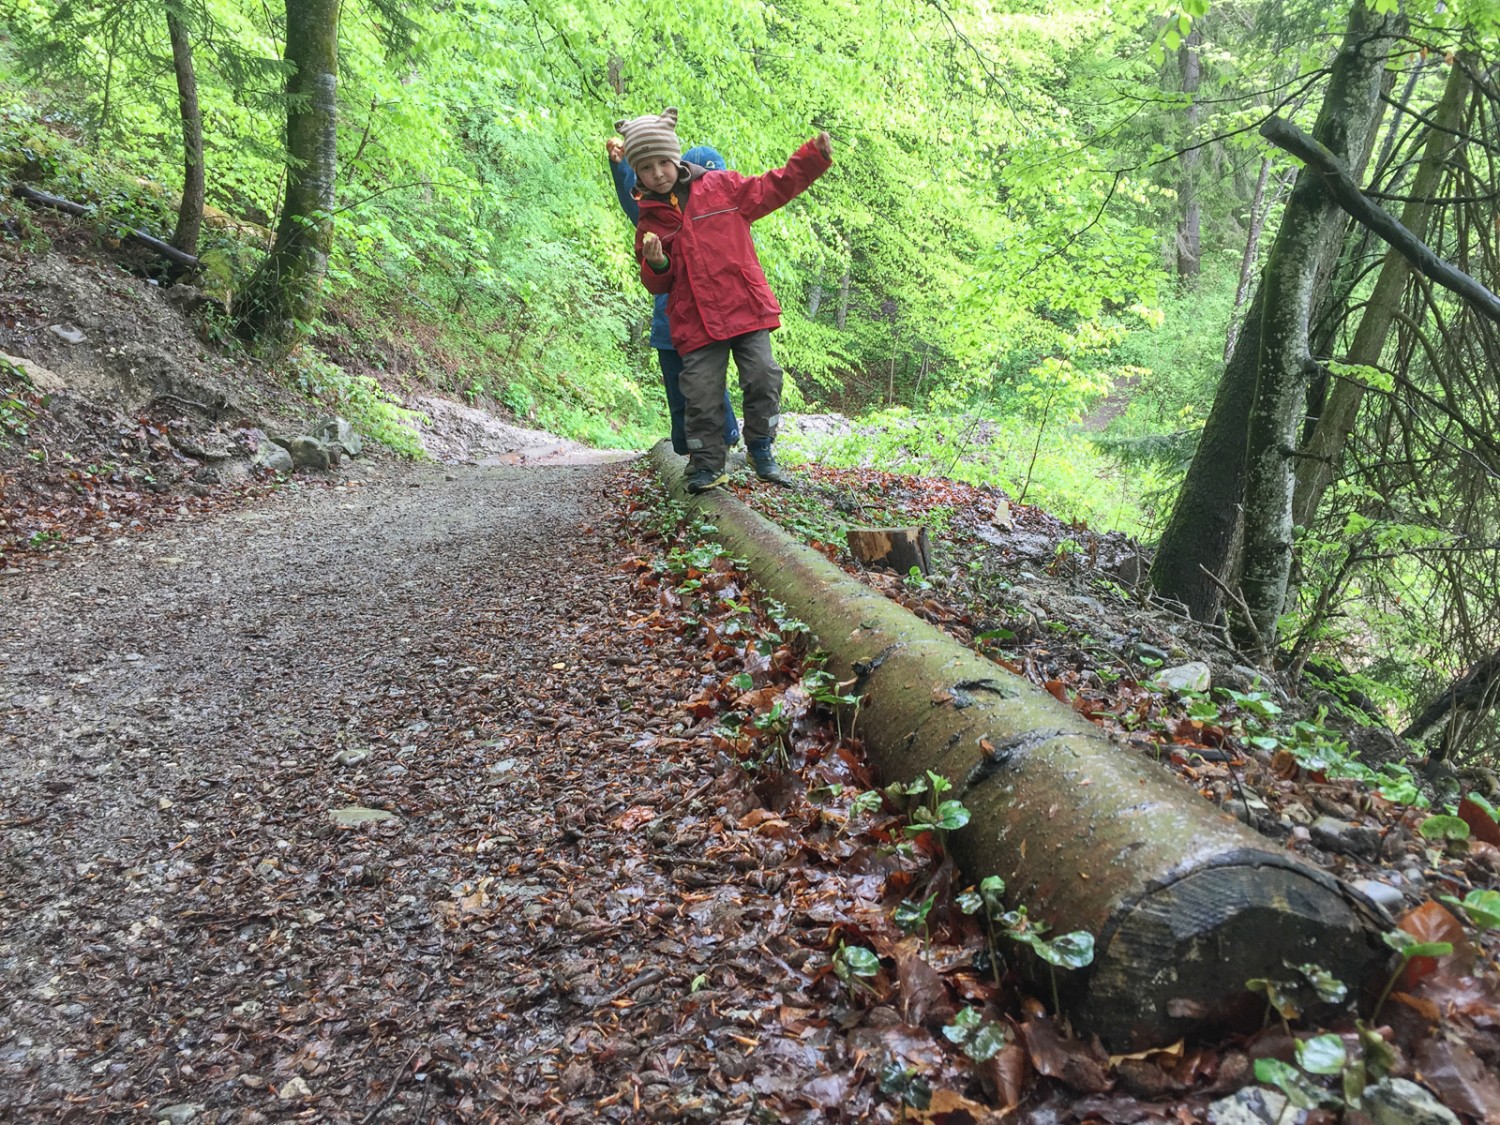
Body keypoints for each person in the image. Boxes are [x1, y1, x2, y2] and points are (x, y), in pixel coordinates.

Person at [615, 107, 832, 493]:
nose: (658, 173)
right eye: (646, 168)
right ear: (638, 173)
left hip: (745, 306)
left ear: (676, 158)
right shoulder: (650, 221)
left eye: (664, 162)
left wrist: (811, 158)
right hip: (695, 319)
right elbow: (656, 284)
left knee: (764, 375)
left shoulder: (722, 187)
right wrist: (658, 262)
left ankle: (761, 449)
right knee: (698, 392)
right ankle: (707, 464)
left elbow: (774, 186)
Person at [607, 137, 741, 455]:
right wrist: (620, 165)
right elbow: (634, 199)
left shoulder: (729, 218)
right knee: (681, 396)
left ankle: (725, 444)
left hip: (710, 326)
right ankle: (690, 453)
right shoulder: (659, 218)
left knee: (709, 387)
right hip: (671, 327)